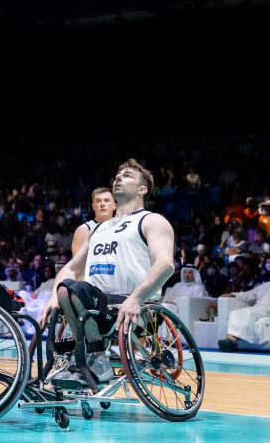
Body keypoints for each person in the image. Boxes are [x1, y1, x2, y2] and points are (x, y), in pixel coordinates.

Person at [41, 159, 176, 388]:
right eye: (118, 175)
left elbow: (165, 265)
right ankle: (89, 356)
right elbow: (72, 268)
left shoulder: (151, 221)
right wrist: (53, 297)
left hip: (134, 305)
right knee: (65, 290)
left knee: (74, 291)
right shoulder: (100, 229)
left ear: (142, 190)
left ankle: (97, 359)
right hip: (97, 302)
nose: (119, 178)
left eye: (127, 176)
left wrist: (136, 299)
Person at [218, 265, 270, 351]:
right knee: (235, 313)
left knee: (247, 314)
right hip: (258, 307)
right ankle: (230, 339)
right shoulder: (266, 285)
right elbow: (249, 294)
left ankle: (231, 339)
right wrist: (233, 294)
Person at [72, 188, 116, 257]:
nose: (102, 204)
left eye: (106, 200)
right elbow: (78, 266)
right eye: (98, 201)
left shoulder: (122, 227)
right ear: (93, 206)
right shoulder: (84, 230)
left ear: (114, 206)